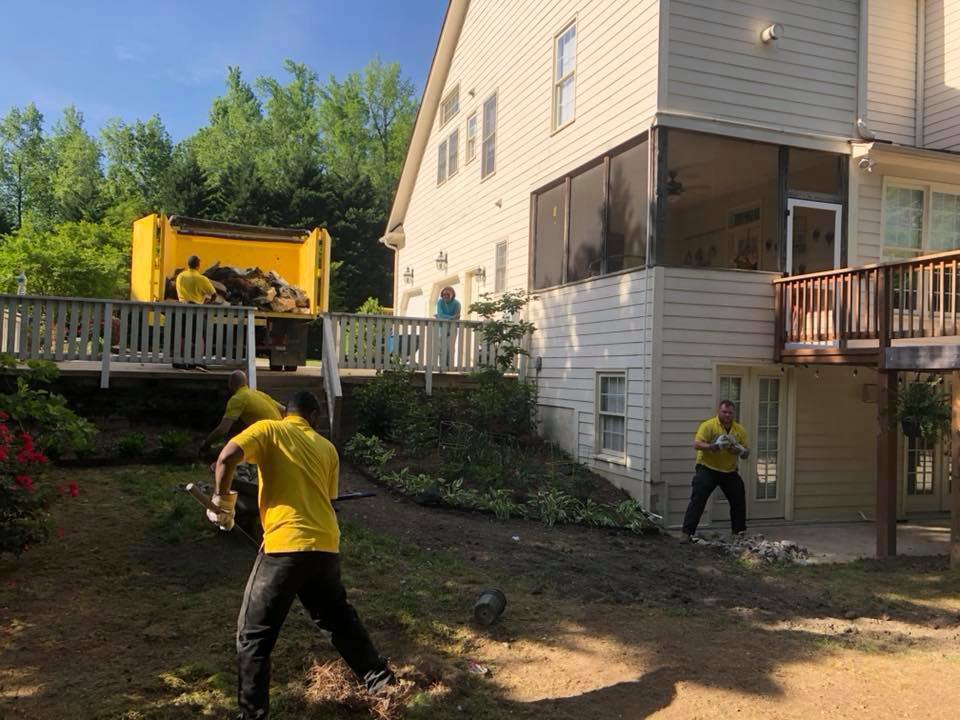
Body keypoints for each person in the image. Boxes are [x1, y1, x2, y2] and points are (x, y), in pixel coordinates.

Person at [209, 390, 395, 719]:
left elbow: (226, 458)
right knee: (338, 619)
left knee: (253, 634)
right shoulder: (327, 448)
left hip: (284, 548)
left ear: (286, 413)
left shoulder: (269, 429)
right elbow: (328, 499)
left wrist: (223, 504)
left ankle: (252, 714)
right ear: (315, 418)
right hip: (325, 546)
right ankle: (381, 681)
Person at [681, 400, 750, 542]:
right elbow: (697, 444)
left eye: (730, 413)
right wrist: (713, 447)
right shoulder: (708, 425)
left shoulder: (739, 430)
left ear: (733, 414)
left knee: (738, 497)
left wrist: (738, 451)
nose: (727, 415)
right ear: (718, 411)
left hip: (729, 470)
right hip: (707, 468)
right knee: (698, 499)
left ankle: (739, 533)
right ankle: (686, 533)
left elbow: (746, 453)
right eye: (724, 412)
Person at [199, 370, 284, 455]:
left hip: (269, 439)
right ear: (245, 382)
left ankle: (233, 457)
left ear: (231, 384)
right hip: (281, 434)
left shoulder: (237, 399)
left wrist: (206, 444)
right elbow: (284, 410)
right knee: (238, 424)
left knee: (231, 426)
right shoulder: (259, 394)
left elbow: (223, 429)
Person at [174, 255, 216, 370]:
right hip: (197, 310)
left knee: (182, 334)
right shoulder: (201, 278)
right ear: (198, 265)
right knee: (199, 336)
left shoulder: (180, 276)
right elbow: (214, 294)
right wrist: (207, 303)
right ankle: (197, 360)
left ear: (188, 264)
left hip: (182, 308)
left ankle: (180, 360)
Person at [434, 286, 461, 366]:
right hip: (442, 327)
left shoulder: (457, 303)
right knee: (441, 348)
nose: (446, 296)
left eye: (448, 294)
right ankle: (442, 365)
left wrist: (442, 317)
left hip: (453, 327)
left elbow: (457, 317)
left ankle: (449, 366)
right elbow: (440, 314)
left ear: (452, 295)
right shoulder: (440, 302)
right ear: (442, 295)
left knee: (450, 348)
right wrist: (451, 317)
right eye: (444, 294)